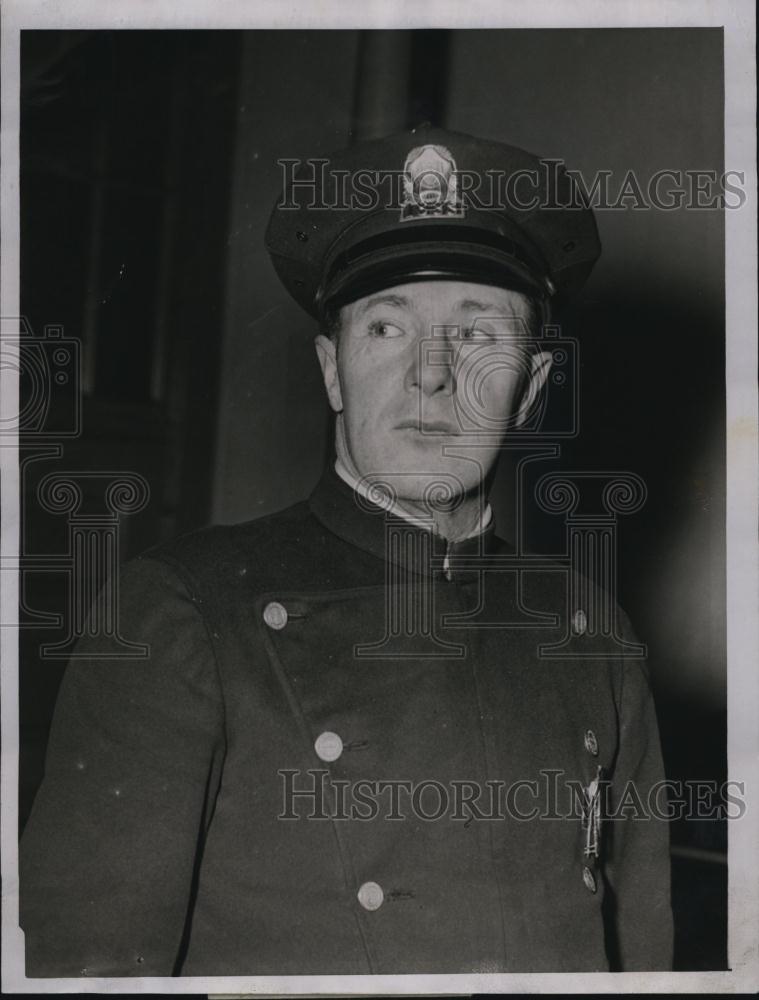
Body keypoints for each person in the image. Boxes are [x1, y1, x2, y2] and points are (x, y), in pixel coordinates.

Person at [20, 125, 673, 976]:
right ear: (332, 371)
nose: (430, 375)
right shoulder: (180, 613)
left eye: (477, 335)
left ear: (531, 391)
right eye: (387, 330)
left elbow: (648, 962)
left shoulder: (592, 635)